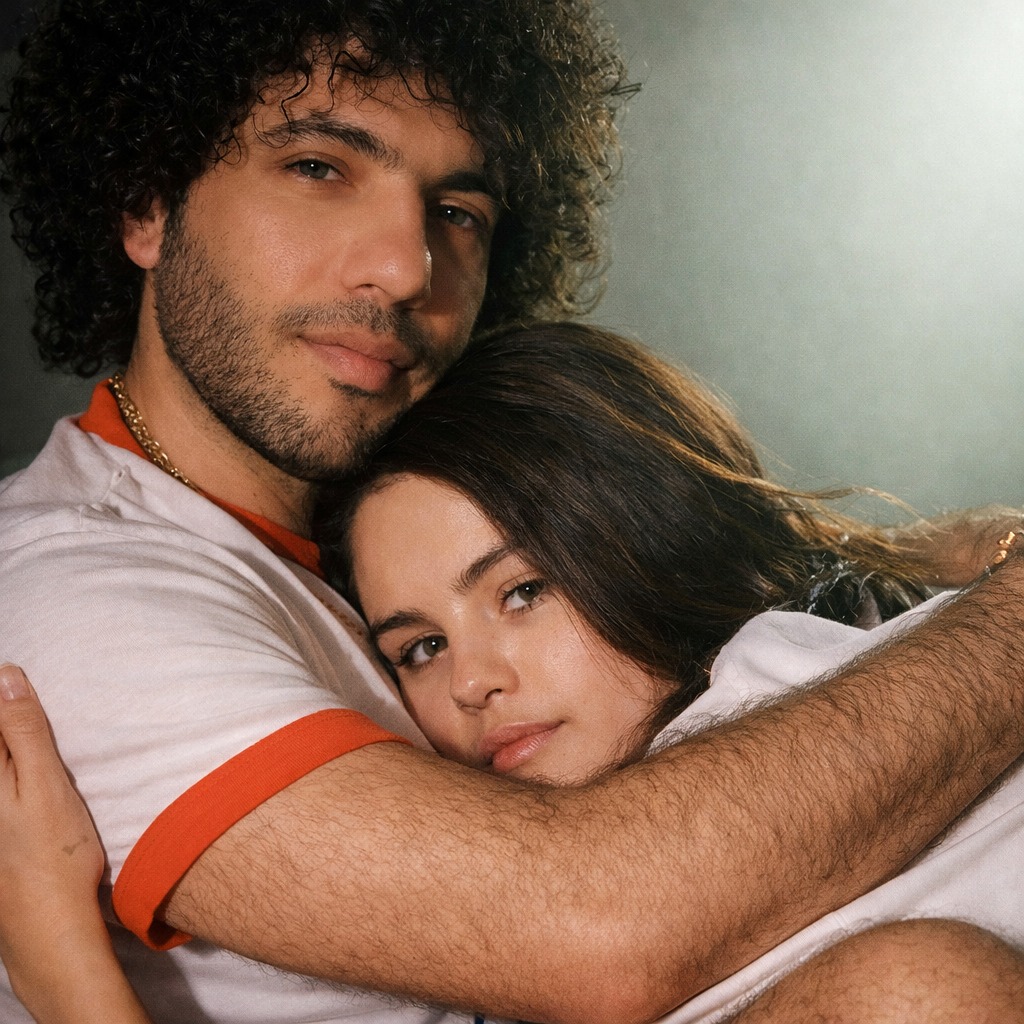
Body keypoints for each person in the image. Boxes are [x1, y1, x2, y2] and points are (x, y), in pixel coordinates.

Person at [1, 1, 1024, 1021]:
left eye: (457, 213)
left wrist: (911, 557)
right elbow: (597, 926)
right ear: (146, 204)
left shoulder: (359, 530)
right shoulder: (68, 592)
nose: (405, 267)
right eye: (318, 167)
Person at [3, 323, 1024, 1024]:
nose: (472, 682)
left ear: (645, 542)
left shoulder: (811, 675)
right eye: (419, 647)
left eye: (521, 591)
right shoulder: (544, 909)